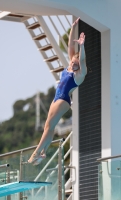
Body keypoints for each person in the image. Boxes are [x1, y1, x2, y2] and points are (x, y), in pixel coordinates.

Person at [28, 17, 87, 165]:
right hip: (57, 98)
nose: (74, 65)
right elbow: (69, 46)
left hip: (63, 100)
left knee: (48, 126)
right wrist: (73, 28)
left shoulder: (79, 75)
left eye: (77, 64)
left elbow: (83, 61)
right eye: (74, 62)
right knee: (49, 127)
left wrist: (82, 46)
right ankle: (42, 154)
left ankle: (35, 154)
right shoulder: (69, 65)